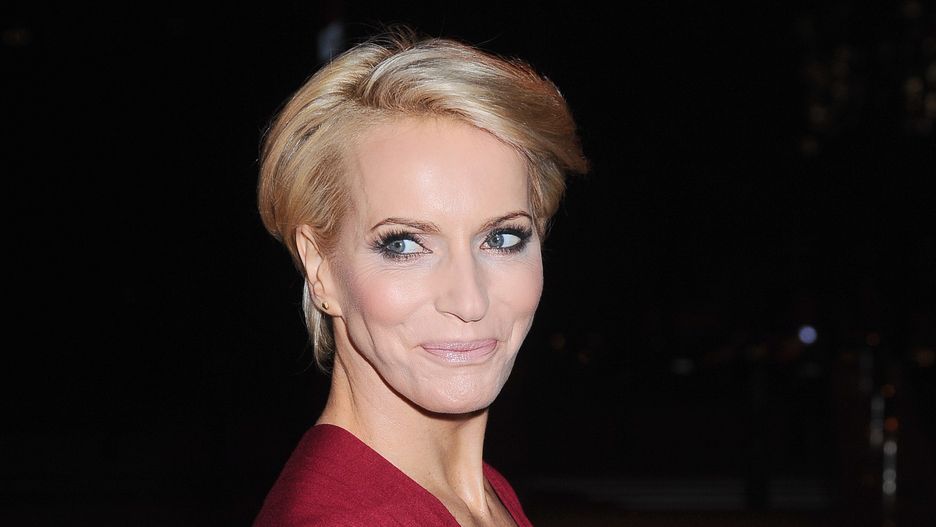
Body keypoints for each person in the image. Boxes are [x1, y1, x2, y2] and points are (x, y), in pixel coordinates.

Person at [252, 24, 589, 526]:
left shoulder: (482, 495)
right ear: (320, 267)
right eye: (405, 245)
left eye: (501, 238)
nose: (469, 301)